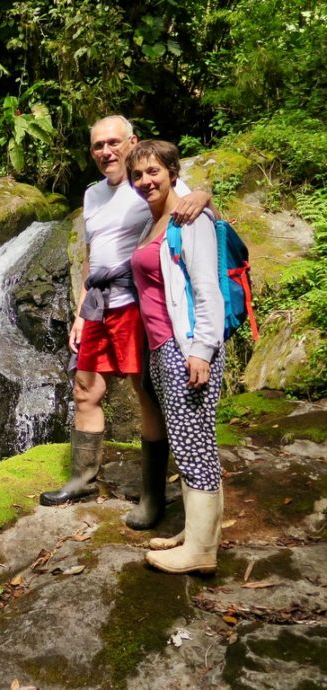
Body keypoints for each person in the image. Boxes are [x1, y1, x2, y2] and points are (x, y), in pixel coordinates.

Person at [39, 115, 211, 534]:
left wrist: (203, 195)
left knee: (144, 393)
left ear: (131, 142)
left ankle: (152, 498)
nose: (106, 152)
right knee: (85, 388)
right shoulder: (92, 194)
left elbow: (190, 203)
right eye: (98, 145)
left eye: (113, 143)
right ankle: (82, 480)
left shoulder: (143, 183)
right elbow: (91, 256)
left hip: (136, 302)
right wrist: (81, 311)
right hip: (98, 302)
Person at [127, 139, 225, 573]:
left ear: (171, 172)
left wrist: (202, 351)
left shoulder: (188, 218)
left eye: (153, 172)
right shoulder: (155, 222)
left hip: (186, 348)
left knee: (191, 445)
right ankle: (198, 533)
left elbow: (208, 290)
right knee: (193, 442)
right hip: (162, 347)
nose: (146, 181)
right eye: (137, 175)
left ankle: (202, 552)